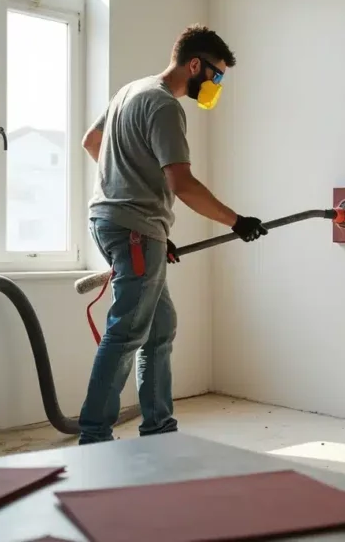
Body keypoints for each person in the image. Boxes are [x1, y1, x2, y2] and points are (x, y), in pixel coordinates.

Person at [77, 24, 267, 445]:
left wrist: (142, 215)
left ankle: (160, 429)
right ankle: (93, 436)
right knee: (127, 330)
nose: (216, 84)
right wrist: (237, 221)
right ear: (194, 64)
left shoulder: (130, 91)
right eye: (215, 75)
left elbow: (92, 142)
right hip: (133, 231)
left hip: (117, 224)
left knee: (160, 326)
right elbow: (182, 184)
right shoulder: (164, 105)